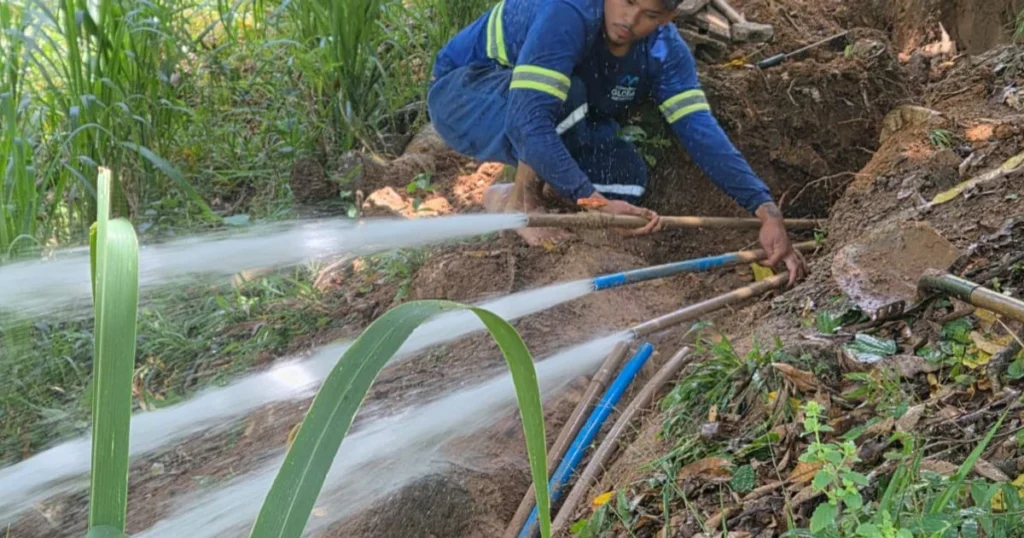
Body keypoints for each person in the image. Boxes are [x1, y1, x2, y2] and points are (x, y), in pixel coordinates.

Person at [427, 0, 808, 284]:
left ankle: (505, 195)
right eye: (627, 1)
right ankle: (523, 202)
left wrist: (765, 209)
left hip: (541, 109)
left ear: (667, 19)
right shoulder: (569, 12)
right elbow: (529, 122)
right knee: (562, 97)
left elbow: (700, 131)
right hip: (463, 94)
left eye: (649, 15)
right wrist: (594, 202)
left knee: (628, 180)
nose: (630, 20)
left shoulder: (665, 50)